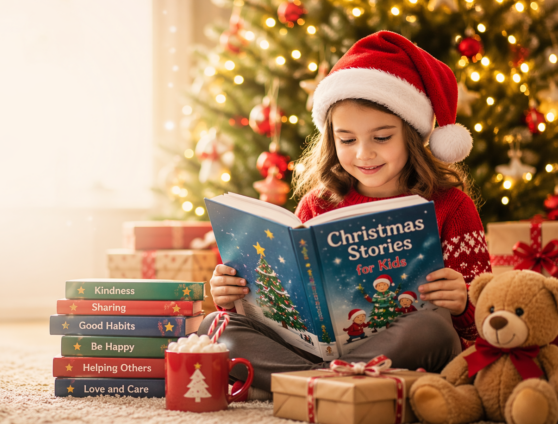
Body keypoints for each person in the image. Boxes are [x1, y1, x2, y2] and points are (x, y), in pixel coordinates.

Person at [200, 31, 492, 400]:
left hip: (399, 347)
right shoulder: (317, 205)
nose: (363, 153)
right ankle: (330, 385)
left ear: (413, 135)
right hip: (312, 351)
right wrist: (233, 295)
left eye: (382, 137)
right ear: (331, 138)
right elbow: (286, 301)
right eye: (347, 139)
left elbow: (486, 321)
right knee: (215, 326)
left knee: (432, 330)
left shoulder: (451, 205)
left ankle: (298, 386)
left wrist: (464, 302)